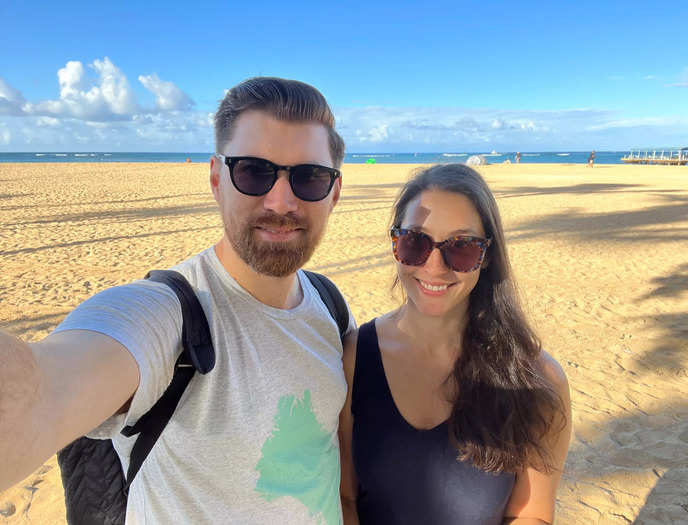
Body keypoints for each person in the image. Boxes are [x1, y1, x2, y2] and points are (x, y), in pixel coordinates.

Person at [0, 77, 354, 524]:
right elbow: (40, 389)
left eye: (310, 177)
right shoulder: (169, 313)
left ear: (334, 193)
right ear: (215, 179)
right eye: (253, 171)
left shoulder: (330, 306)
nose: (280, 201)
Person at [338, 164, 572, 524]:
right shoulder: (355, 359)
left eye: (461, 247)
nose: (435, 267)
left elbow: (531, 514)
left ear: (487, 256)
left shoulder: (537, 379)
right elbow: (345, 498)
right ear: (395, 244)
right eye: (415, 242)